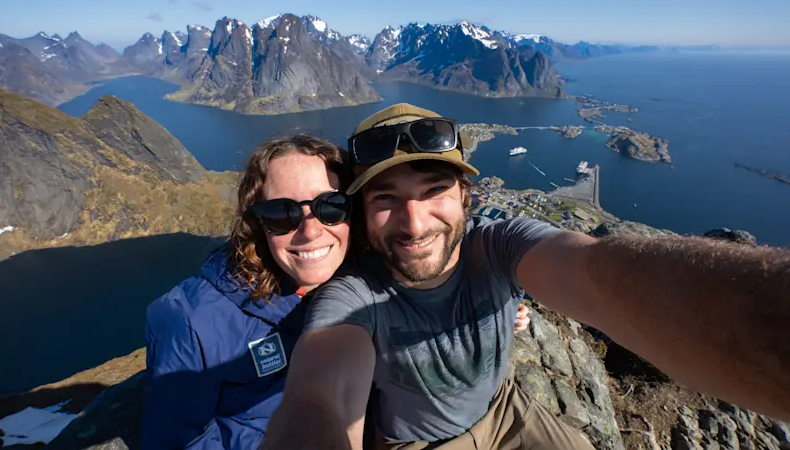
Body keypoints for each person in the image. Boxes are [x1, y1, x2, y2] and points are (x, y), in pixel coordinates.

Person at [261, 104, 790, 450]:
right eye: (386, 199)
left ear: (466, 197)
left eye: (433, 191)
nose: (415, 222)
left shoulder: (500, 246)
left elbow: (594, 274)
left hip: (510, 408)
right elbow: (320, 394)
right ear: (361, 212)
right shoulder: (355, 297)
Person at [141, 135, 356, 449]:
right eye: (282, 214)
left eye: (332, 207)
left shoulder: (366, 283)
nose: (310, 232)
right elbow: (179, 441)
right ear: (258, 224)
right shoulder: (192, 322)